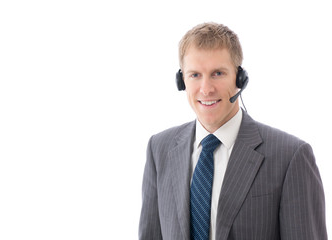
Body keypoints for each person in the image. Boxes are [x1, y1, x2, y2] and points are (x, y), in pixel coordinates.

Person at [138, 22, 327, 240]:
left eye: (217, 73)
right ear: (182, 81)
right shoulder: (159, 149)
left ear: (240, 78)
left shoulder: (290, 156)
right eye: (195, 75)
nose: (206, 89)